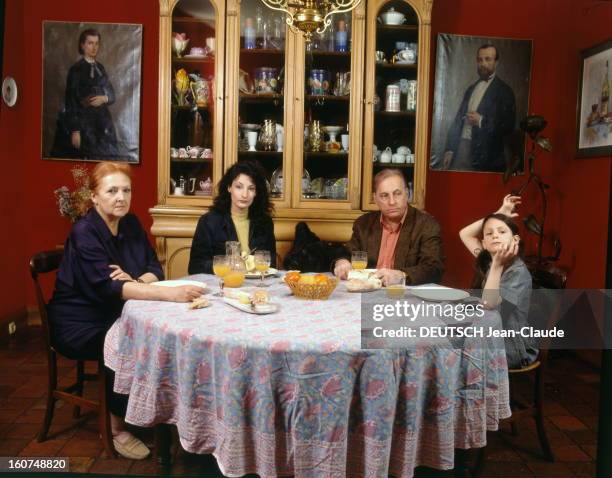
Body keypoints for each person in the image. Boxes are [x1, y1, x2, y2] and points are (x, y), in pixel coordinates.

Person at [48, 162, 205, 460]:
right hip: (80, 320)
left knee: (148, 337)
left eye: (126, 190)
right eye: (112, 191)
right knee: (127, 342)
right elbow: (110, 288)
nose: (121, 197)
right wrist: (168, 294)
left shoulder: (130, 223)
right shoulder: (84, 232)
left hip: (118, 310)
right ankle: (116, 428)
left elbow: (153, 268)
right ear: (94, 196)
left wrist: (133, 281)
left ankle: (149, 411)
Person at [459, 194, 537, 368]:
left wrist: (496, 265)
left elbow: (488, 304)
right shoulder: (489, 259)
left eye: (502, 232)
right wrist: (500, 212)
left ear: (515, 239)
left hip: (510, 346)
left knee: (455, 352)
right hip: (488, 335)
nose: (495, 236)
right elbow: (464, 234)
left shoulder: (517, 272)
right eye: (489, 233)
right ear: (484, 244)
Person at [333, 169, 444, 285]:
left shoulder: (427, 225)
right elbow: (347, 252)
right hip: (368, 291)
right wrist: (342, 262)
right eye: (384, 196)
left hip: (403, 294)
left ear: (407, 194)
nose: (392, 202)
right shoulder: (364, 224)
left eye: (397, 194)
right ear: (375, 199)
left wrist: (402, 275)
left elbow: (434, 268)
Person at [188, 161, 276, 274]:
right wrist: (229, 264)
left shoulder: (265, 222)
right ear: (229, 187)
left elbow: (271, 264)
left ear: (256, 192)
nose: (245, 195)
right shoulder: (209, 222)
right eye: (239, 187)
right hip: (222, 285)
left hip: (255, 286)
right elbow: (195, 266)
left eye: (251, 188)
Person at [441, 44, 516, 172]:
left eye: (488, 59)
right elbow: (458, 120)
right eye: (480, 60)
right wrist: (450, 149)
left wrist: (481, 120)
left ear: (496, 62)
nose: (483, 64)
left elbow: (509, 126)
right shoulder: (471, 88)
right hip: (462, 151)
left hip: (487, 157)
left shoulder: (505, 91)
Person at [57, 28, 120, 159]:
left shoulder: (100, 68)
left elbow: (112, 95)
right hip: (84, 125)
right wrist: (75, 130)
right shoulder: (76, 70)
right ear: (82, 45)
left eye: (97, 43)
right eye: (90, 43)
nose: (94, 47)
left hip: (102, 125)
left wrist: (104, 98)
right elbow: (71, 102)